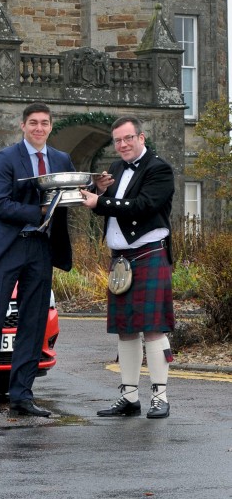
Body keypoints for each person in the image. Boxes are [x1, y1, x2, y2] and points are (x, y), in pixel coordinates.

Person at [0, 102, 74, 418]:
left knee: (33, 324)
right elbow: (0, 206)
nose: (39, 128)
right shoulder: (6, 158)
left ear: (51, 126)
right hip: (7, 249)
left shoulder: (61, 159)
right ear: (23, 126)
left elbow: (68, 198)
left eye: (44, 123)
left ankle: (22, 396)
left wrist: (93, 189)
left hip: (41, 249)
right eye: (33, 123)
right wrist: (38, 212)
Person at [80, 115, 175, 419]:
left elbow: (143, 206)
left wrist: (101, 203)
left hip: (148, 254)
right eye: (118, 140)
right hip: (121, 259)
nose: (122, 145)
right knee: (126, 330)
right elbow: (111, 207)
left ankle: (160, 397)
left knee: (153, 328)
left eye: (128, 138)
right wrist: (102, 192)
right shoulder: (118, 168)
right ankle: (130, 397)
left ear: (141, 137)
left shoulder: (158, 169)